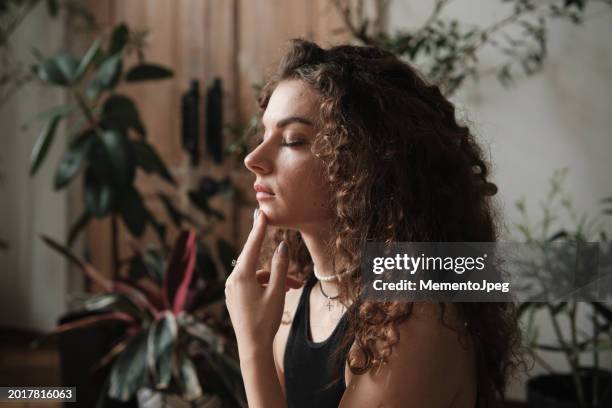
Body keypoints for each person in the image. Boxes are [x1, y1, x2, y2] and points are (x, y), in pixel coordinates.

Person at [224, 39, 524, 408]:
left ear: (362, 166)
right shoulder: (292, 304)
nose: (254, 159)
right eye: (263, 135)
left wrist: (252, 348)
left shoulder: (412, 324)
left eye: (293, 140)